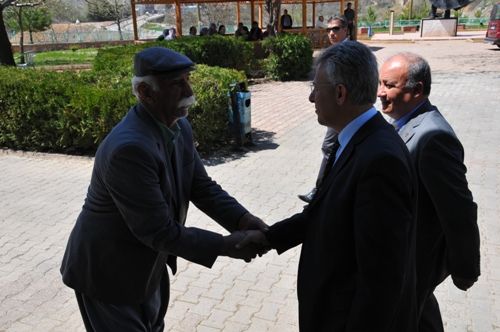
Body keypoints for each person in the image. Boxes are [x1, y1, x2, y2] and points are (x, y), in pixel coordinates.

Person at [60, 47, 269, 331]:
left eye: (187, 79)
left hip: (146, 266)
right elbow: (157, 231)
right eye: (177, 84)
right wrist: (225, 245)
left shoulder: (179, 126)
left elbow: (201, 186)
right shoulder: (129, 148)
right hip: (107, 273)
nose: (189, 90)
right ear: (146, 92)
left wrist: (242, 220)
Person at [240, 41, 418, 332]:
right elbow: (323, 213)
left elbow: (381, 281)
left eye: (316, 88)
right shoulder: (352, 139)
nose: (311, 97)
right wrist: (269, 237)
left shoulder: (379, 160)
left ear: (339, 93)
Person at [378, 52, 480, 332]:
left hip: (416, 260)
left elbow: (459, 211)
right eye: (379, 83)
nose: (380, 92)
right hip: (404, 263)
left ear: (417, 90)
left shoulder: (434, 137)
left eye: (389, 85)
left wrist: (465, 269)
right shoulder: (404, 124)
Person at [298, 15, 349, 203]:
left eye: (335, 29)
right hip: (336, 110)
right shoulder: (332, 52)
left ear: (346, 30)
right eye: (328, 30)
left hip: (345, 111)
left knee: (329, 146)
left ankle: (320, 192)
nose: (331, 33)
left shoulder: (352, 52)